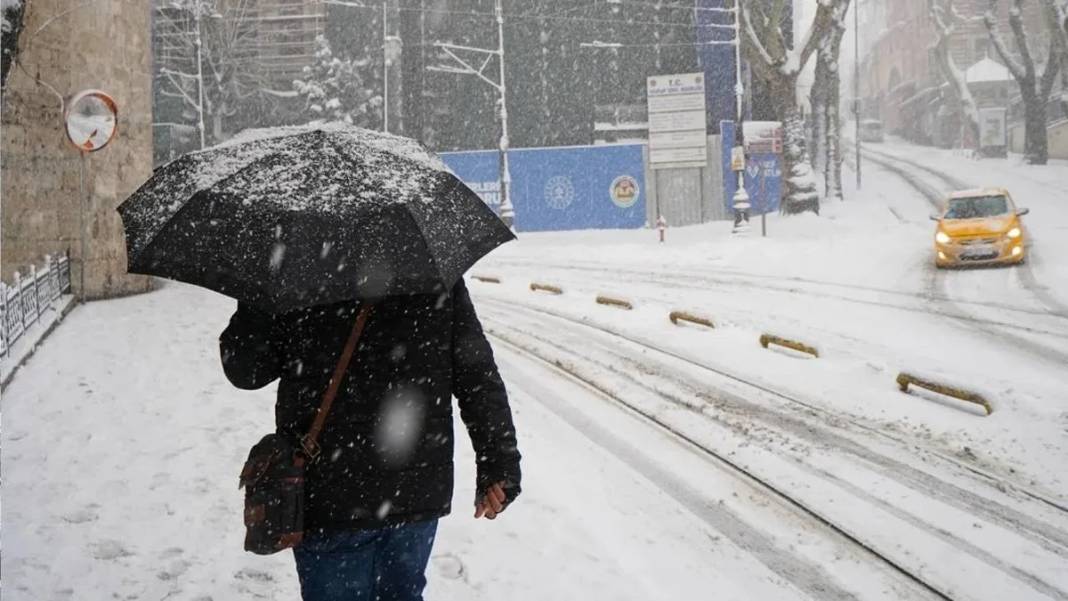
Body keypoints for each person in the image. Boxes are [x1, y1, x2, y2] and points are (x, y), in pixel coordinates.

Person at [219, 278, 522, 601]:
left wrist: (257, 289)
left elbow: (246, 369)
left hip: (330, 492)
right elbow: (476, 373)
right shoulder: (429, 263)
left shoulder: (298, 261)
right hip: (414, 489)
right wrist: (499, 461)